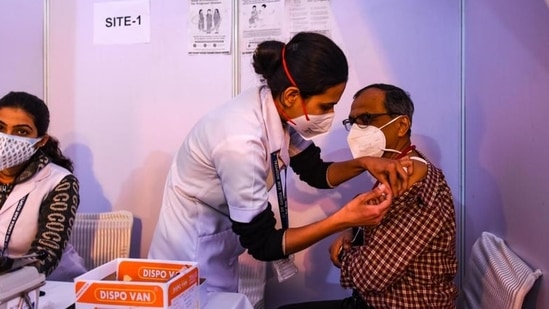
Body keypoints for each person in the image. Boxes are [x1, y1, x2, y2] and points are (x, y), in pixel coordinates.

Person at [148, 33, 411, 295]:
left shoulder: (276, 111)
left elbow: (317, 173)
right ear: (291, 96)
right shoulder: (240, 141)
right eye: (326, 105)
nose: (330, 115)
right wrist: (342, 220)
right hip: (190, 254)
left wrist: (364, 162)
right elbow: (263, 245)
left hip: (219, 242)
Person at [278, 83, 458, 309]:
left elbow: (370, 275)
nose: (357, 131)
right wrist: (351, 229)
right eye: (353, 122)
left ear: (402, 125)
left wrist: (344, 252)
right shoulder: (396, 167)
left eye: (366, 119)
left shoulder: (412, 181)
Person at [0, 91, 84, 280]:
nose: (6, 138)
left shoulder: (61, 182)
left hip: (52, 285)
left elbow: (45, 255)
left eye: (21, 131)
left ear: (41, 141)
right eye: (1, 127)